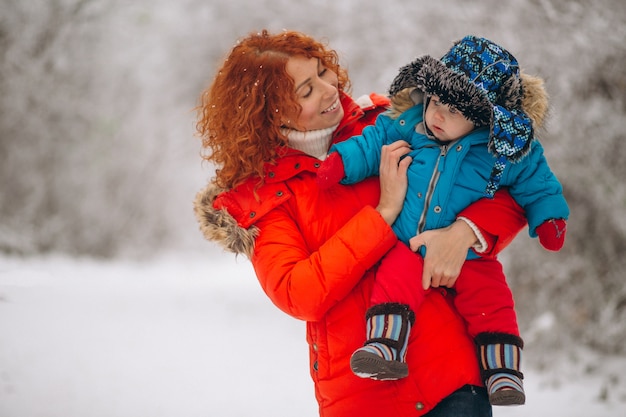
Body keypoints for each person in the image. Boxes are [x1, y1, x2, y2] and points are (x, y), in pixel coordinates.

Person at [193, 30, 529, 417]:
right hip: (363, 395)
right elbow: (298, 292)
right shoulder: (265, 195)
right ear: (270, 112)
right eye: (306, 90)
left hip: (450, 378)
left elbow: (509, 187)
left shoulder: (394, 124)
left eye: (323, 71)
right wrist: (383, 213)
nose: (328, 88)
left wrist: (465, 232)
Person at [316, 35, 570, 406]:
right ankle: (385, 347)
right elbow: (373, 142)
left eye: (452, 111)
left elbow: (539, 184)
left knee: (491, 297)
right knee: (392, 280)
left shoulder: (503, 151)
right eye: (435, 102)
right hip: (408, 242)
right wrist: (341, 162)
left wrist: (550, 218)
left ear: (485, 116)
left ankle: (502, 370)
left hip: (469, 257)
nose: (436, 115)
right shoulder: (411, 124)